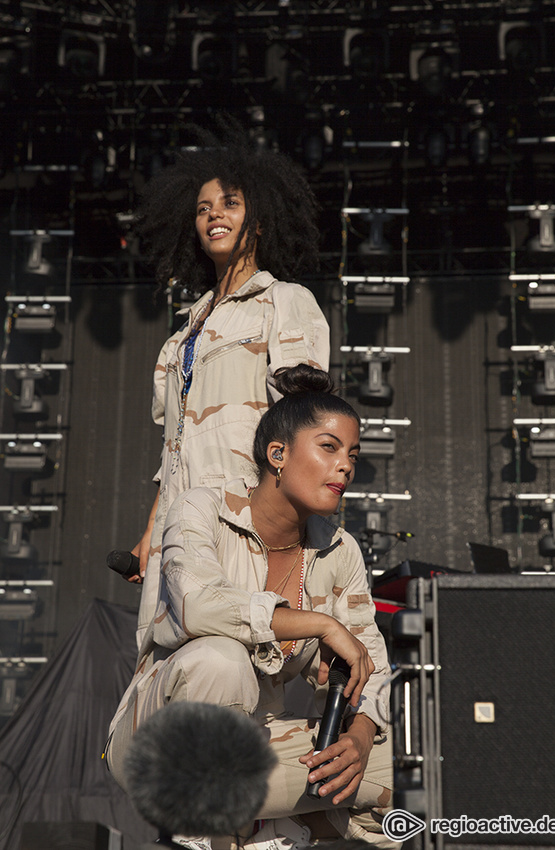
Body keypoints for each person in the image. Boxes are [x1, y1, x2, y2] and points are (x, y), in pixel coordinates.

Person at [106, 366, 396, 849]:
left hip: (254, 745)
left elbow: (372, 662)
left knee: (413, 766)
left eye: (353, 454)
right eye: (328, 447)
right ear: (276, 454)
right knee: (218, 658)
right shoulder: (202, 508)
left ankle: (263, 828)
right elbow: (199, 607)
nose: (346, 465)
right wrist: (320, 624)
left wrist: (362, 735)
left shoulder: (339, 551)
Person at [129, 117, 330, 647]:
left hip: (242, 525)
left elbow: (305, 426)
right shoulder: (182, 335)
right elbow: (172, 450)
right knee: (162, 680)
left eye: (231, 203)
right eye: (203, 208)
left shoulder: (283, 302)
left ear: (258, 222)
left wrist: (283, 529)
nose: (214, 214)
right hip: (181, 533)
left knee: (232, 669)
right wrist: (152, 534)